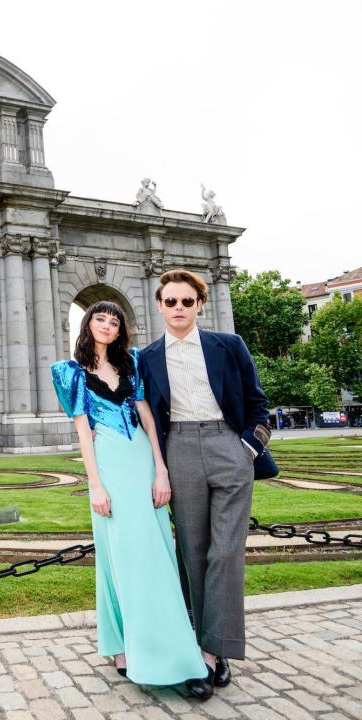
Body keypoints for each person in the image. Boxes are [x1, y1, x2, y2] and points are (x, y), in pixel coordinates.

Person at [51, 301, 211, 697]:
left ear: (122, 329)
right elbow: (83, 432)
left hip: (141, 459)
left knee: (156, 554)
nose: (107, 325)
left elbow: (147, 417)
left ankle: (171, 651)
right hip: (108, 466)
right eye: (100, 319)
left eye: (114, 320)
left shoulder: (132, 363)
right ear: (88, 325)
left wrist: (160, 468)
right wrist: (96, 485)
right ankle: (124, 648)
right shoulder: (69, 372)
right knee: (118, 558)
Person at [138, 268, 274, 694]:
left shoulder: (229, 346)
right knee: (193, 553)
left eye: (187, 301)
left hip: (228, 447)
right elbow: (141, 416)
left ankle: (214, 655)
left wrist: (247, 449)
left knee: (226, 553)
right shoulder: (147, 357)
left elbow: (258, 404)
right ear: (160, 306)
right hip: (179, 449)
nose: (179, 308)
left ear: (200, 304)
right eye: (171, 301)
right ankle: (195, 647)